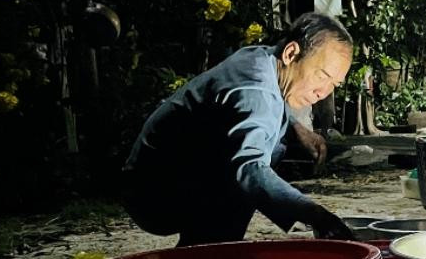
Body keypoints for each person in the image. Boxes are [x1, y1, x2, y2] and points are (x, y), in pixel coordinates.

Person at [123, 13, 354, 246]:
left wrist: (296, 128)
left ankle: (205, 254)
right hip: (154, 192)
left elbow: (269, 102)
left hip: (165, 176)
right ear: (291, 53)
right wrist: (315, 215)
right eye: (321, 76)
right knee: (243, 185)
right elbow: (249, 169)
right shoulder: (255, 88)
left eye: (333, 84)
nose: (322, 92)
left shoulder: (264, 59)